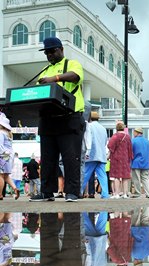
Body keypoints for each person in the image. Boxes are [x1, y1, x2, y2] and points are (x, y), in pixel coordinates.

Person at [30, 37, 85, 202]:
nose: (49, 55)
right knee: (47, 158)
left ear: (61, 49)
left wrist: (55, 79)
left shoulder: (72, 64)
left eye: (52, 51)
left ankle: (72, 192)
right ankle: (47, 191)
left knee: (70, 157)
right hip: (48, 119)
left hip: (69, 117)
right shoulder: (45, 70)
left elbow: (75, 76)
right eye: (47, 52)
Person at [81, 111, 109, 199]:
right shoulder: (103, 128)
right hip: (101, 155)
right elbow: (105, 142)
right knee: (102, 175)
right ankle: (105, 194)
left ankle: (79, 191)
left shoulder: (89, 126)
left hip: (92, 155)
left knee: (85, 174)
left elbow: (87, 139)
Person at [108, 121, 133, 199]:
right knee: (125, 176)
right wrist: (130, 157)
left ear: (116, 128)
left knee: (116, 176)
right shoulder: (128, 137)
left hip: (116, 158)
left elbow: (110, 146)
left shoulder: (115, 136)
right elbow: (130, 148)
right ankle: (125, 194)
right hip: (125, 158)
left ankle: (116, 194)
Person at [0, 113, 20, 200]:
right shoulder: (9, 133)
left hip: (2, 155)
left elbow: (0, 146)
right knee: (6, 176)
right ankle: (15, 188)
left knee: (0, 175)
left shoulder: (1, 133)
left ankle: (0, 194)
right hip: (9, 156)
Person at [131, 127, 149, 199]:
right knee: (145, 178)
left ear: (137, 132)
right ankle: (148, 193)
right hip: (146, 162)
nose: (133, 133)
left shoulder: (133, 141)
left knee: (136, 179)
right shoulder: (147, 141)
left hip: (136, 162)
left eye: (134, 132)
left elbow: (130, 153)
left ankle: (138, 193)